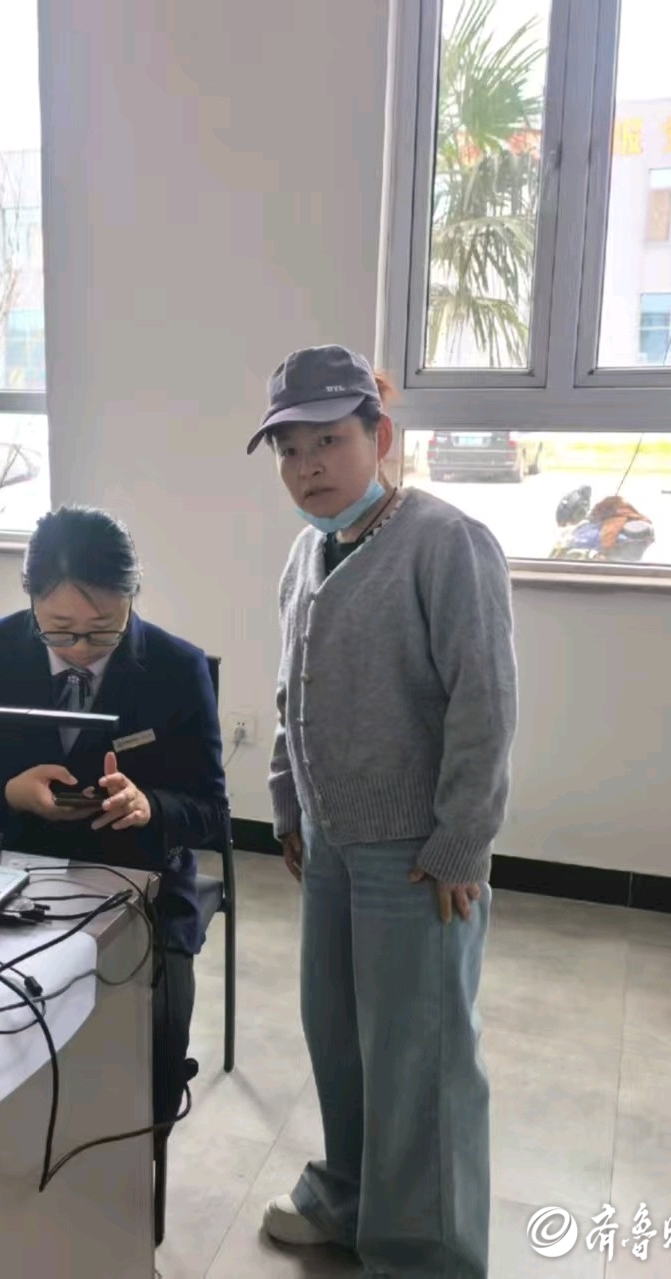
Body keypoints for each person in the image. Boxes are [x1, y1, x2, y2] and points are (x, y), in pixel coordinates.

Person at [247, 345, 517, 1277]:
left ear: (381, 437)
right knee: (341, 1036)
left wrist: (462, 843)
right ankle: (350, 1198)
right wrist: (288, 799)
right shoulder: (308, 551)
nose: (308, 466)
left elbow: (486, 703)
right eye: (289, 450)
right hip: (330, 839)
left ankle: (424, 1253)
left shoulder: (446, 543)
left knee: (420, 1057)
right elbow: (292, 688)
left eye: (329, 440)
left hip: (416, 853)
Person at [0, 505, 227, 1129]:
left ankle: (143, 1145)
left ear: (131, 598)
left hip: (138, 879)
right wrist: (8, 792)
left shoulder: (176, 666)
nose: (81, 651)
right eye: (59, 631)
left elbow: (210, 809)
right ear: (30, 598)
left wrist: (149, 805)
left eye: (104, 632)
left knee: (155, 1044)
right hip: (8, 872)